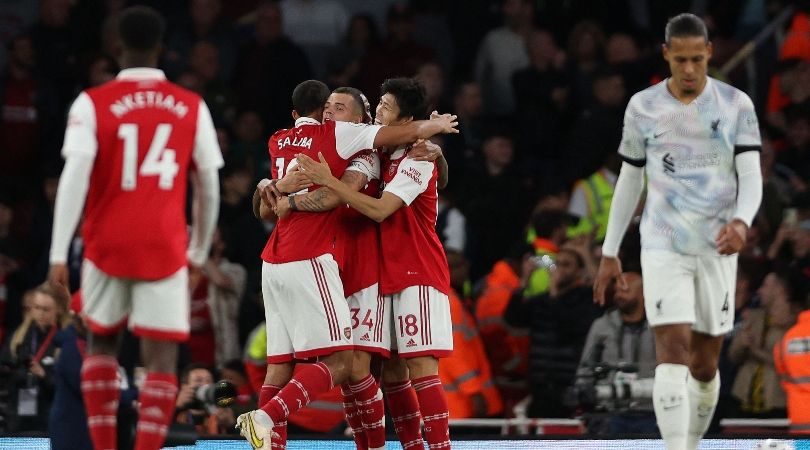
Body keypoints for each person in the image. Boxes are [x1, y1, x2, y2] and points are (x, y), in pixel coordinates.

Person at [236, 78, 457, 450]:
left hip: (388, 267)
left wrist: (435, 144)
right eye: (327, 108)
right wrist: (274, 186)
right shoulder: (364, 149)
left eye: (338, 109)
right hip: (344, 268)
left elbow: (370, 202)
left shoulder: (371, 151)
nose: (329, 114)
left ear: (364, 119)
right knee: (370, 370)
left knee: (391, 366)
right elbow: (265, 206)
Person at [47, 6, 223, 450]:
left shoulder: (92, 101)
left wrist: (56, 252)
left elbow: (75, 175)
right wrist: (199, 251)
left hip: (106, 242)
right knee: (161, 357)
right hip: (164, 245)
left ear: (116, 45)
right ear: (162, 48)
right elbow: (209, 186)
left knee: (102, 344)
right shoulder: (191, 105)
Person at [593, 13, 763, 450]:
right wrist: (611, 251)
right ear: (667, 55)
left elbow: (752, 174)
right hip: (662, 244)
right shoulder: (643, 106)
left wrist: (742, 221)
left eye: (697, 60)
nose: (689, 70)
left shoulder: (736, 105)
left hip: (717, 248)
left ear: (708, 53)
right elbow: (630, 178)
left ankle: (689, 440)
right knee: (671, 352)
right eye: (680, 60)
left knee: (705, 366)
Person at [575, 269, 657, 435]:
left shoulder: (660, 327)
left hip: (652, 412)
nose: (618, 295)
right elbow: (585, 369)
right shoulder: (602, 326)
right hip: (611, 413)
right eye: (617, 290)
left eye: (625, 290)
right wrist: (585, 408)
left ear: (643, 292)